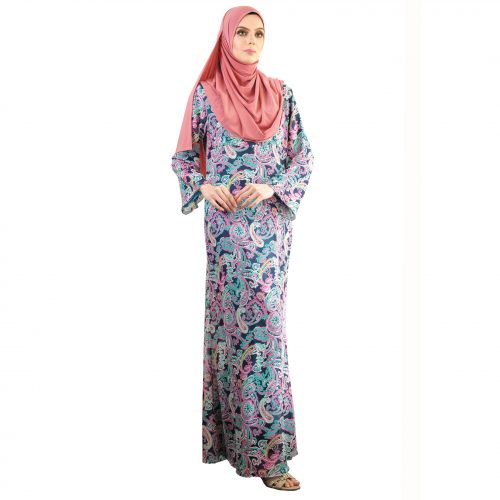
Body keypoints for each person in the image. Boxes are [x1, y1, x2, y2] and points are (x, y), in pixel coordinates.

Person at [171, 5, 313, 491]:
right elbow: (184, 158)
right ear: (227, 39)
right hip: (226, 234)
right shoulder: (206, 95)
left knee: (267, 331)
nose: (252, 41)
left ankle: (271, 457)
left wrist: (274, 188)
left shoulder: (282, 95)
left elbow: (303, 158)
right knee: (231, 331)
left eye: (259, 33)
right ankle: (234, 446)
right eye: (243, 33)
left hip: (270, 235)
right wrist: (203, 186)